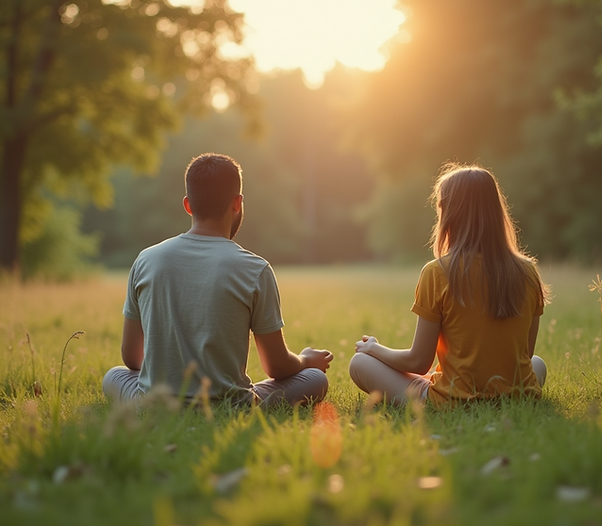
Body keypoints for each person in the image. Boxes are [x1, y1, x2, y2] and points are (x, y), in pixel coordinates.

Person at [102, 153, 334, 407]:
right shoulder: (255, 269)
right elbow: (276, 366)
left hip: (153, 402)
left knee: (114, 376)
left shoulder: (146, 260)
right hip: (231, 404)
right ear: (237, 203)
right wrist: (305, 359)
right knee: (313, 379)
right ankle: (239, 394)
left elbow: (132, 359)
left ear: (188, 205)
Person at [348, 163, 549, 406]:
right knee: (537, 363)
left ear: (450, 214)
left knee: (359, 363)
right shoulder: (528, 271)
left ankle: (440, 391)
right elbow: (524, 356)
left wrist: (374, 349)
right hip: (519, 395)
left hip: (454, 400)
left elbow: (418, 362)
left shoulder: (438, 272)